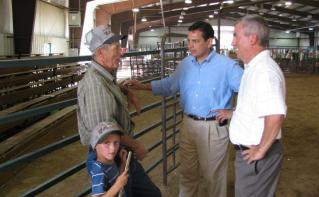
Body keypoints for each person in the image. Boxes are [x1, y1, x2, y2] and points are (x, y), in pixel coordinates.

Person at [123, 21, 243, 197]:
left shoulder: (227, 66)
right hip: (188, 125)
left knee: (214, 178)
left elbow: (251, 91)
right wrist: (142, 86)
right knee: (187, 175)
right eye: (189, 41)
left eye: (195, 41)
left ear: (209, 42)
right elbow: (170, 85)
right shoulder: (186, 63)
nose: (190, 46)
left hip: (213, 128)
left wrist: (234, 112)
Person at [77, 25, 161, 197]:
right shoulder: (95, 85)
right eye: (116, 49)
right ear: (100, 53)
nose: (120, 53)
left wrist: (123, 90)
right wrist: (136, 145)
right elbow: (104, 134)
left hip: (119, 152)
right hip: (110, 156)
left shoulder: (105, 77)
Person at [229, 15, 287, 197]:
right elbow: (257, 108)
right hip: (251, 154)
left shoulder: (264, 71)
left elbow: (275, 114)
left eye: (236, 36)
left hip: (256, 155)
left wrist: (261, 150)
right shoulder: (253, 68)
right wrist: (233, 114)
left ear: (252, 39)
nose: (233, 42)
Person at [87, 121, 129, 197]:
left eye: (116, 142)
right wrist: (118, 186)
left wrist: (123, 163)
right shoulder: (98, 170)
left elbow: (116, 178)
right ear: (95, 145)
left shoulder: (109, 160)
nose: (113, 149)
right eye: (106, 143)